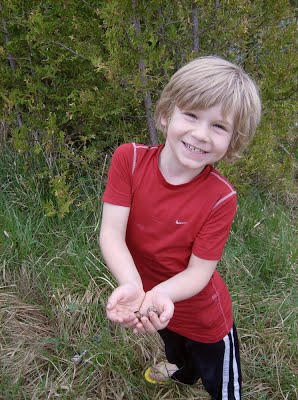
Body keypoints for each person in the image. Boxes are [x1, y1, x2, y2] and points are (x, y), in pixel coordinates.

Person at [99, 56, 261, 399]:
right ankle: (182, 373)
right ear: (165, 113)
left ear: (232, 142)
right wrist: (135, 286)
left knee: (220, 378)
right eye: (191, 115)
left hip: (202, 314)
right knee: (173, 346)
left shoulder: (221, 196)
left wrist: (160, 294)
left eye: (219, 127)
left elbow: (199, 273)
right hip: (153, 302)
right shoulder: (127, 160)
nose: (201, 134)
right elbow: (112, 233)